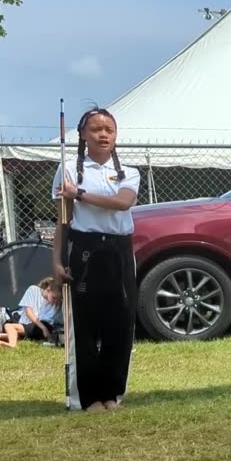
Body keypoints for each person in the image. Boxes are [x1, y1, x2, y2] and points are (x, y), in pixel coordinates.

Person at [51, 106, 141, 412]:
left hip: (118, 249)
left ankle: (112, 394)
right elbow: (62, 220)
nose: (103, 135)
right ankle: (87, 398)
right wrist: (57, 261)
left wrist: (79, 193)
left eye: (109, 130)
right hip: (84, 248)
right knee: (85, 325)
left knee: (120, 322)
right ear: (83, 135)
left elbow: (122, 203)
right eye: (96, 129)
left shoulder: (129, 172)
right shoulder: (69, 169)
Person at [0, 277, 61, 350]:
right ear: (48, 289)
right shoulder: (34, 291)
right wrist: (43, 328)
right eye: (54, 297)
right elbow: (29, 312)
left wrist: (44, 329)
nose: (56, 300)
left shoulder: (54, 303)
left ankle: (12, 345)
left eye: (57, 298)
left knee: (9, 326)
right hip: (27, 324)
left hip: (35, 326)